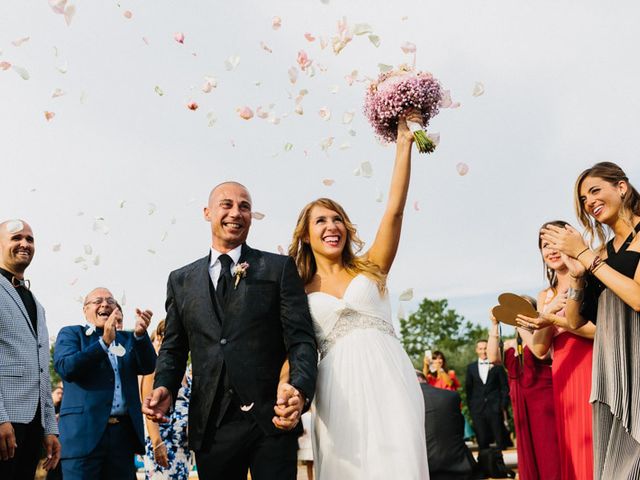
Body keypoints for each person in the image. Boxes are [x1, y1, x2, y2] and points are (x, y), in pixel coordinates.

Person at [143, 182, 318, 480]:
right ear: (207, 212)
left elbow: (301, 340)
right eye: (227, 204)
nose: (236, 212)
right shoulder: (181, 280)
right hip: (212, 424)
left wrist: (299, 390)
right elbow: (173, 347)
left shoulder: (278, 269)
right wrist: (165, 386)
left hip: (271, 419)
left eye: (245, 206)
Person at [287, 111, 429, 479]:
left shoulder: (371, 267)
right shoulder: (296, 290)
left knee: (400, 462)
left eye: (337, 220)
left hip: (389, 375)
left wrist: (404, 145)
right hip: (337, 389)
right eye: (321, 221)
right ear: (306, 235)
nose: (332, 227)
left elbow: (394, 211)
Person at [540, 162, 640, 479]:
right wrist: (579, 278)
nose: (589, 202)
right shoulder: (600, 252)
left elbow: (638, 298)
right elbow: (574, 318)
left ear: (621, 187)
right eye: (584, 198)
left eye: (595, 190)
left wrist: (587, 258)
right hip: (611, 373)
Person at [518, 221, 594, 480]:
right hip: (561, 370)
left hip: (589, 362)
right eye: (544, 245)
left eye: (555, 242)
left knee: (592, 439)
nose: (550, 249)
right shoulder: (545, 295)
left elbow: (599, 330)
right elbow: (539, 350)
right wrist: (547, 313)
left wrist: (559, 320)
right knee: (571, 445)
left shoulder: (589, 279)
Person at [54, 287, 156, 479]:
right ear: (85, 310)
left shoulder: (127, 338)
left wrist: (141, 336)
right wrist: (103, 343)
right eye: (98, 301)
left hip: (122, 437)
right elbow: (66, 368)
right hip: (83, 437)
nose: (105, 304)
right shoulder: (72, 334)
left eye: (111, 301)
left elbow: (148, 366)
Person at [0, 219, 60, 479]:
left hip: (33, 425)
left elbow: (41, 370)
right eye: (16, 238)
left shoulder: (36, 303)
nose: (24, 243)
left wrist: (50, 427)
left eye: (30, 239)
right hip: (5, 422)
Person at [487, 311, 561, 480]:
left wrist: (522, 327)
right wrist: (494, 324)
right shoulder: (510, 344)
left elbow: (540, 353)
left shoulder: (543, 337)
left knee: (547, 446)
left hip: (543, 400)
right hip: (520, 402)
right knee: (527, 449)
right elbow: (492, 357)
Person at [140, 319, 192, 479]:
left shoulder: (184, 371)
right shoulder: (154, 369)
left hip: (183, 444)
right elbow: (149, 410)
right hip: (164, 442)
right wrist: (157, 443)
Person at [416, 371, 477, 480]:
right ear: (424, 379)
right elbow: (460, 429)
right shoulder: (451, 396)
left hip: (426, 469)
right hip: (460, 465)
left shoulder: (407, 402)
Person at [465, 339, 510, 452]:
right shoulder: (471, 368)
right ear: (476, 350)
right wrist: (472, 408)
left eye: (485, 348)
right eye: (480, 348)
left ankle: (502, 466)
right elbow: (469, 390)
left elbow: (505, 387)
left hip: (495, 408)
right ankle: (485, 466)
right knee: (482, 440)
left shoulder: (498, 366)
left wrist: (502, 405)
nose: (483, 351)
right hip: (478, 410)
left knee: (500, 440)